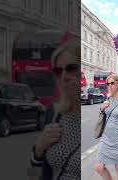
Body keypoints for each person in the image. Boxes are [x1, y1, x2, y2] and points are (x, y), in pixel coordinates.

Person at [29, 38, 80, 179]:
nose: (64, 76)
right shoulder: (55, 113)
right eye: (59, 71)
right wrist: (39, 149)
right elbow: (35, 172)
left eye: (71, 68)